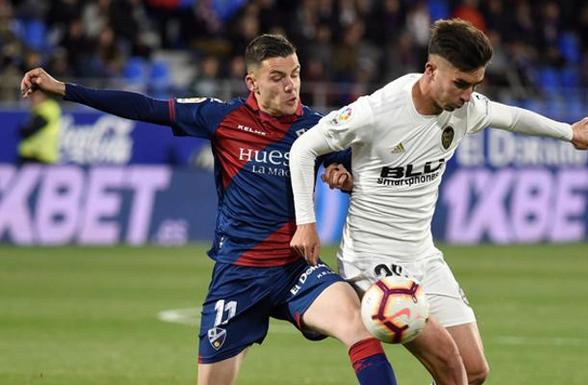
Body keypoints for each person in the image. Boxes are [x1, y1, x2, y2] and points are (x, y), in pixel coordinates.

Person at [20, 34, 397, 385]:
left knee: (359, 325)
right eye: (278, 77)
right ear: (252, 83)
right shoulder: (221, 117)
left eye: (295, 75)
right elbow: (144, 107)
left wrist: (343, 172)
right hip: (237, 275)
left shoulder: (317, 127)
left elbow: (358, 165)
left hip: (294, 269)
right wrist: (64, 89)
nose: (290, 86)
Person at [289, 19, 588, 385]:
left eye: (475, 85)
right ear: (431, 70)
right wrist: (306, 222)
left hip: (423, 255)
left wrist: (569, 134)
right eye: (461, 84)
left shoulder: (464, 110)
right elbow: (303, 148)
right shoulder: (377, 111)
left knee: (474, 370)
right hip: (373, 262)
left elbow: (513, 117)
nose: (468, 95)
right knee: (451, 366)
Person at [17, 88, 61, 165]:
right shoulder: (36, 109)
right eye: (32, 95)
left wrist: (24, 129)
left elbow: (35, 127)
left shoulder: (50, 107)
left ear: (44, 95)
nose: (33, 98)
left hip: (42, 155)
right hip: (30, 154)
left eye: (36, 95)